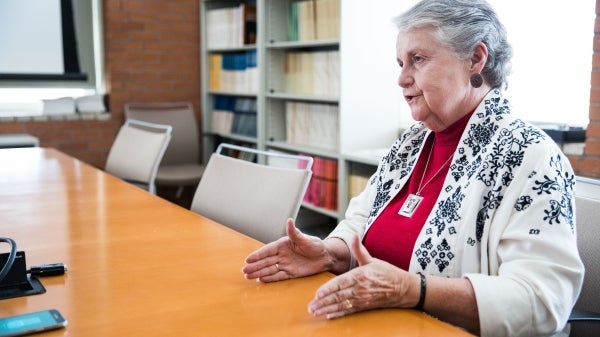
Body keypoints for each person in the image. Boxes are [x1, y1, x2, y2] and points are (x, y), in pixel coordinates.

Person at [242, 0, 584, 336]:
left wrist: (412, 290)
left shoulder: (530, 155)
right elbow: (360, 222)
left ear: (475, 59)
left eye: (417, 60)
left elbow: (544, 300)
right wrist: (330, 255)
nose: (402, 78)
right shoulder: (413, 142)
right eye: (400, 63)